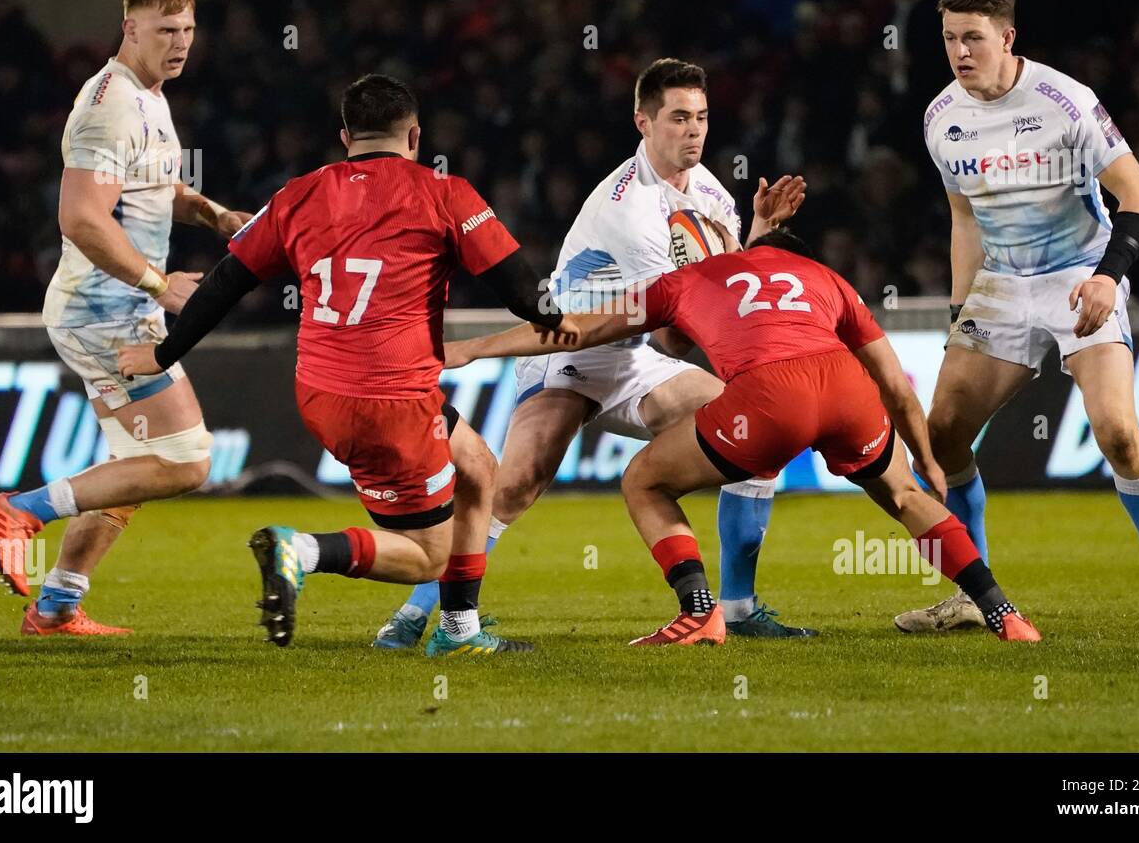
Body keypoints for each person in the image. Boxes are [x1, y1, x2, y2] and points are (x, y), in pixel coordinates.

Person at [119, 73, 577, 656]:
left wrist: (162, 353)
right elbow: (517, 289)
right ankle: (301, 551)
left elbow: (222, 284)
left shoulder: (298, 193)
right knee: (426, 557)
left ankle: (458, 629)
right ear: (414, 136)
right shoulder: (444, 192)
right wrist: (556, 314)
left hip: (322, 390)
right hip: (391, 401)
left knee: (479, 469)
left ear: (345, 136)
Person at [375, 58, 812, 649]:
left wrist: (758, 234)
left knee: (758, 434)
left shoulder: (709, 190)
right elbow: (675, 333)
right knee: (514, 485)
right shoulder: (628, 210)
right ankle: (411, 617)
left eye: (702, 118)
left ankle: (735, 607)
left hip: (631, 353)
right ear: (643, 121)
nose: (694, 131)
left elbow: (727, 284)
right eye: (679, 118)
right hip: (569, 349)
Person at [444, 228, 1042, 644]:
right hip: (845, 388)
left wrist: (473, 348)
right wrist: (924, 458)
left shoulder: (689, 277)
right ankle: (1002, 611)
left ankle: (701, 613)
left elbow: (572, 332)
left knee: (644, 481)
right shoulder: (826, 279)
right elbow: (896, 384)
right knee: (908, 499)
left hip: (768, 398)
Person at [898, 0, 1139, 633]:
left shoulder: (1067, 102)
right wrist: (960, 315)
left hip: (1079, 277)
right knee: (943, 428)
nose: (960, 51)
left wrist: (1106, 276)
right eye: (950, 38)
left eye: (973, 37)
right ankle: (972, 591)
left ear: (1007, 37)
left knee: (1119, 432)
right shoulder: (941, 118)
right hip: (1002, 287)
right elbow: (965, 222)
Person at [0, 0, 253, 636]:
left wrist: (214, 215)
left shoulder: (149, 96)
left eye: (187, 30)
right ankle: (23, 508)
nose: (180, 43)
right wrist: (161, 283)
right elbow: (81, 217)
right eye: (165, 30)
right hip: (103, 311)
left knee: (137, 468)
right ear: (130, 28)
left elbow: (153, 188)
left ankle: (56, 605)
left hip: (115, 307)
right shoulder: (110, 103)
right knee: (187, 460)